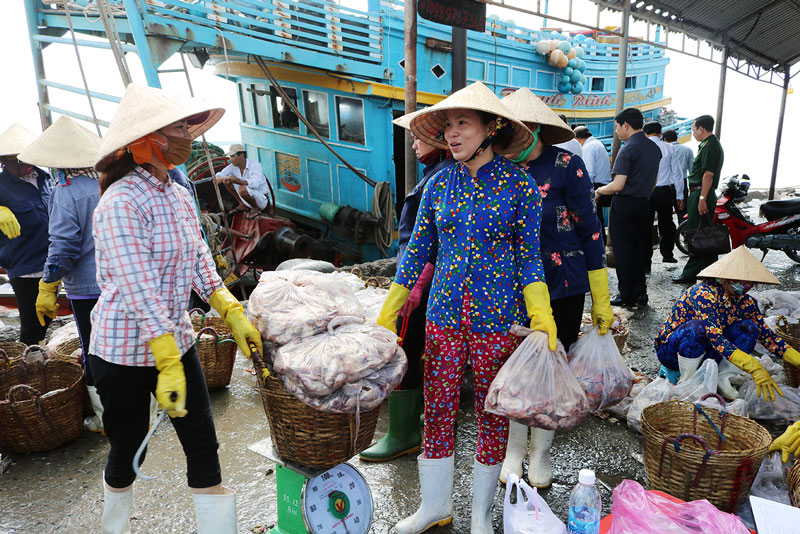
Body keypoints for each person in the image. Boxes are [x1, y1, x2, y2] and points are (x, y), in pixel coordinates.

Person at [375, 81, 552, 534]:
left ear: (490, 128)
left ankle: (480, 516)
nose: (452, 135)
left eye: (463, 125)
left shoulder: (521, 187)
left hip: (497, 320)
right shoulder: (437, 186)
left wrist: (541, 317)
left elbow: (530, 257)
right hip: (443, 317)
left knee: (493, 414)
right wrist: (387, 314)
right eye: (448, 126)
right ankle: (434, 506)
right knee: (437, 407)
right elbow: (416, 254)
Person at [89, 84, 262, 534]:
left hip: (178, 343)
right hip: (123, 352)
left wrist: (229, 307)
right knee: (129, 450)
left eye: (189, 125)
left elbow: (200, 260)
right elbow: (137, 286)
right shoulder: (119, 202)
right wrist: (162, 358)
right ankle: (113, 528)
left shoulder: (179, 193)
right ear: (147, 139)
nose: (188, 133)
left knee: (204, 445)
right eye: (179, 126)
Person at [499, 88, 615, 489]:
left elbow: (590, 230)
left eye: (518, 129)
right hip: (512, 286)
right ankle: (514, 450)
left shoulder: (569, 165)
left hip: (563, 284)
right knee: (515, 368)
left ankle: (540, 453)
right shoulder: (499, 168)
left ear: (535, 129)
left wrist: (601, 297)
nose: (510, 137)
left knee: (552, 362)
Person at [359, 109, 454, 462]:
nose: (413, 144)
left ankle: (403, 433)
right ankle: (415, 422)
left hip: (423, 285)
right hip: (419, 281)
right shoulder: (437, 173)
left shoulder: (441, 177)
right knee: (419, 351)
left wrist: (414, 287)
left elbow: (432, 243)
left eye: (418, 138)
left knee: (407, 351)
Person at [18, 116, 105, 431]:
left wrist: (48, 284)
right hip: (118, 282)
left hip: (87, 287)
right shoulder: (105, 182)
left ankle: (106, 416)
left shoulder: (66, 191)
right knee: (121, 345)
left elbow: (64, 247)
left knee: (94, 350)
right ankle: (139, 407)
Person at [654, 246, 790, 401]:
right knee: (697, 329)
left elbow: (768, 337)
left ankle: (721, 378)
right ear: (724, 278)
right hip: (673, 351)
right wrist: (753, 365)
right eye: (742, 282)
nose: (747, 287)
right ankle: (689, 383)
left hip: (709, 353)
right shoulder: (704, 293)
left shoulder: (745, 302)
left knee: (749, 328)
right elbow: (715, 338)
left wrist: (795, 358)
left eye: (751, 283)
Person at [595, 107, 661, 307]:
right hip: (643, 204)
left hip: (625, 205)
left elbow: (618, 185)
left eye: (616, 126)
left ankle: (626, 295)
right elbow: (654, 182)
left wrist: (598, 191)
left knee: (623, 252)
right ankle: (640, 293)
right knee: (639, 250)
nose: (616, 131)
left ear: (626, 125)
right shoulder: (654, 148)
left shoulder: (628, 149)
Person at [0, 123, 53, 345]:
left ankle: (39, 358)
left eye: (29, 157)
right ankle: (29, 369)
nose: (27, 164)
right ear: (4, 161)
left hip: (52, 262)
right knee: (31, 323)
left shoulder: (46, 178)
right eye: (19, 160)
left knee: (47, 317)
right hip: (24, 265)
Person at [672, 115, 724, 285]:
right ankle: (709, 271)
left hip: (702, 193)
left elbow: (708, 174)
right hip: (699, 193)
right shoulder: (708, 145)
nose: (693, 133)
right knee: (705, 232)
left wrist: (702, 198)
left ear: (701, 129)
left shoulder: (710, 147)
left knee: (697, 233)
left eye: (694, 129)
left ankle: (691, 273)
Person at [642, 121, 685, 266]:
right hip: (664, 191)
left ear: (645, 133)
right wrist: (680, 195)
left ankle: (645, 260)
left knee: (645, 225)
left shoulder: (641, 147)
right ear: (660, 133)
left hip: (645, 191)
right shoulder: (669, 147)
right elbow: (677, 173)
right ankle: (667, 254)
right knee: (666, 223)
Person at [574, 125, 611, 236]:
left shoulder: (588, 147)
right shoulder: (597, 143)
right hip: (604, 184)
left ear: (578, 139)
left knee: (595, 222)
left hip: (597, 187)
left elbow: (589, 173)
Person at [215, 143, 269, 217]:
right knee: (226, 181)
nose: (231, 159)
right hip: (245, 198)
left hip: (261, 199)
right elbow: (216, 179)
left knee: (242, 188)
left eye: (233, 156)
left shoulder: (255, 165)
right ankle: (242, 204)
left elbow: (255, 183)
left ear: (241, 155)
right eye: (230, 157)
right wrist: (227, 178)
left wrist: (238, 181)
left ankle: (256, 208)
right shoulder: (232, 167)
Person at [662, 128, 693, 222]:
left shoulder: (663, 150)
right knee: (682, 211)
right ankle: (684, 232)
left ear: (665, 139)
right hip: (681, 183)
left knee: (665, 212)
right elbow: (692, 170)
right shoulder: (687, 150)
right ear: (677, 138)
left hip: (666, 184)